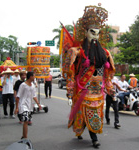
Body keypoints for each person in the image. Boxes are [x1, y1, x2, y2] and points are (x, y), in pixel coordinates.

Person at [62, 5, 115, 148]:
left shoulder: (105, 53)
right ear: (85, 32)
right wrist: (70, 90)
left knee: (95, 114)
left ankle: (90, 134)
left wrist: (110, 88)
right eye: (92, 33)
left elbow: (107, 75)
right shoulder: (76, 52)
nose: (95, 36)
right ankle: (93, 138)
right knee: (82, 114)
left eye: (97, 33)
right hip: (83, 90)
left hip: (98, 92)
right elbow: (71, 73)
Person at [15, 72, 41, 139]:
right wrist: (16, 108)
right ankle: (25, 137)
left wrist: (38, 104)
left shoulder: (32, 85)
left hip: (29, 105)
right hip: (23, 105)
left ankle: (23, 136)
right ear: (30, 77)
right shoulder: (23, 85)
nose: (34, 77)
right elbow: (18, 96)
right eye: (34, 76)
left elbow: (34, 96)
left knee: (27, 122)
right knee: (26, 120)